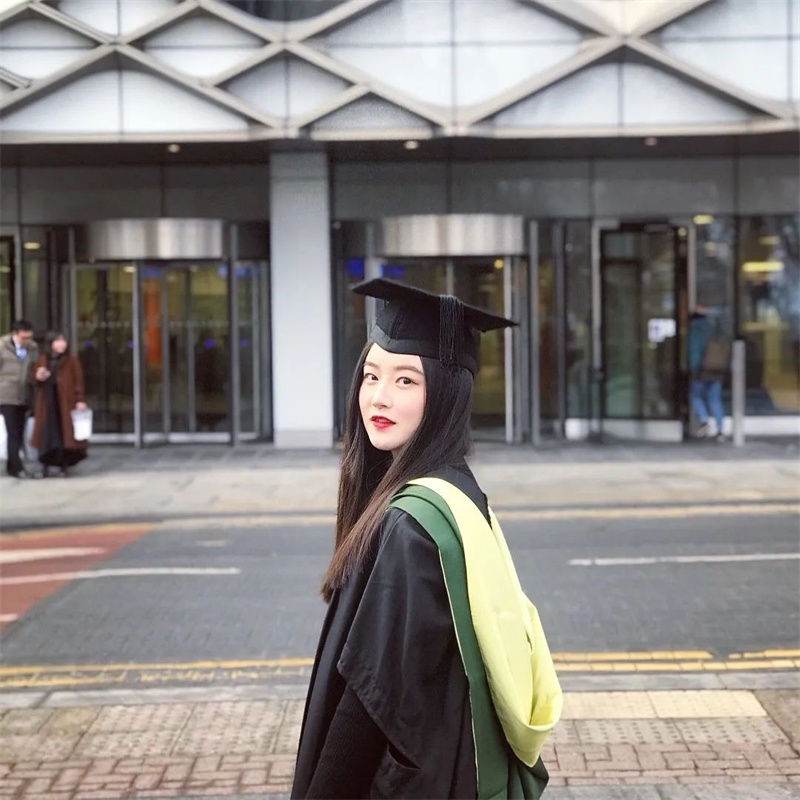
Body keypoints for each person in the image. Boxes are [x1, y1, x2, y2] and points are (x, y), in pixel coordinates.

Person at [292, 279, 562, 800]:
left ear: (445, 394)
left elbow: (367, 702)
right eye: (371, 375)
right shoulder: (458, 491)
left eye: (406, 380)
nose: (379, 397)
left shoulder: (410, 523)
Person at [31, 331, 88, 477]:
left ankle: (64, 466)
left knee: (64, 434)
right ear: (50, 344)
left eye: (63, 341)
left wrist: (80, 400)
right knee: (46, 434)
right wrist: (39, 377)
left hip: (65, 403)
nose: (62, 344)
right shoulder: (43, 359)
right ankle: (45, 466)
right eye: (57, 341)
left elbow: (78, 382)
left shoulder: (71, 361)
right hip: (47, 402)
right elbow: (34, 381)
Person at [0, 320, 39, 479]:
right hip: (6, 395)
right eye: (24, 338)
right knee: (13, 431)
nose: (27, 341)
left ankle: (12, 465)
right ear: (15, 334)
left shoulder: (33, 348)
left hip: (25, 395)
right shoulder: (2, 346)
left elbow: (34, 368)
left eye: (29, 337)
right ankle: (17, 467)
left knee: (20, 431)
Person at [687, 305, 727, 442]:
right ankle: (720, 430)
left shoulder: (694, 330)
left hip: (700, 370)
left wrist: (693, 368)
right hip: (716, 368)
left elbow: (694, 352)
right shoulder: (714, 328)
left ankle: (704, 420)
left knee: (695, 396)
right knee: (715, 399)